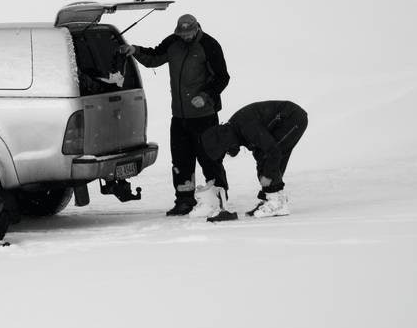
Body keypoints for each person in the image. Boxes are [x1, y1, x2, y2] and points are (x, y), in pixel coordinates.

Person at [119, 14, 232, 218]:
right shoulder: (173, 42)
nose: (186, 36)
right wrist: (135, 50)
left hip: (205, 116)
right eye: (182, 33)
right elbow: (154, 57)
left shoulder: (209, 45)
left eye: (189, 33)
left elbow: (223, 77)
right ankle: (184, 201)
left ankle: (219, 198)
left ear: (197, 28)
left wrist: (205, 96)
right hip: (180, 117)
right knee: (181, 161)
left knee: (210, 159)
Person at [201, 101, 309, 218]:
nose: (227, 153)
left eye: (225, 150)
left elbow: (273, 151)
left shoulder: (246, 127)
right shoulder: (233, 130)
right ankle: (270, 198)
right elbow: (262, 151)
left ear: (225, 142)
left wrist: (267, 175)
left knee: (269, 154)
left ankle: (277, 203)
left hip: (292, 118)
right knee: (263, 155)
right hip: (283, 119)